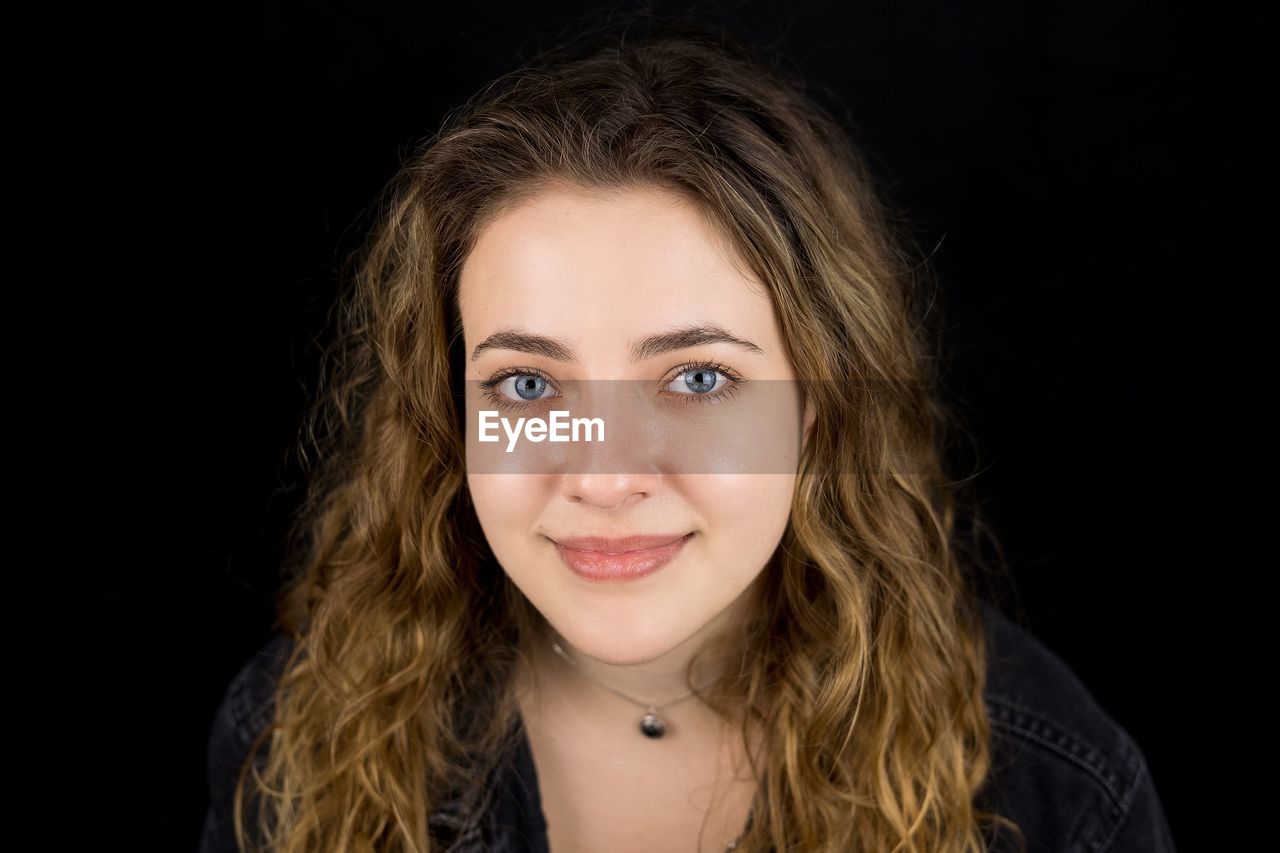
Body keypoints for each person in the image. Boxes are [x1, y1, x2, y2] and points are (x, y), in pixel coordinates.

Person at [198, 14, 1176, 853]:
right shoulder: (297, 732)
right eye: (528, 384)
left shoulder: (1051, 791)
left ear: (816, 404)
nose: (606, 473)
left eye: (696, 378)